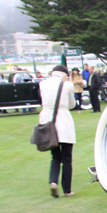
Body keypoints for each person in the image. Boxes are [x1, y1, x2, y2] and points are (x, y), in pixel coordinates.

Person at [38, 65, 77, 198]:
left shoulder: (43, 84)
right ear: (64, 75)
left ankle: (53, 181)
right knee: (66, 158)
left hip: (48, 122)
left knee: (55, 157)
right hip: (63, 121)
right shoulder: (67, 85)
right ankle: (67, 189)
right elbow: (72, 104)